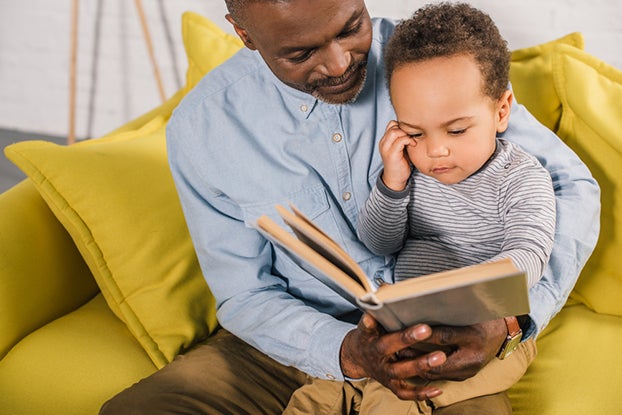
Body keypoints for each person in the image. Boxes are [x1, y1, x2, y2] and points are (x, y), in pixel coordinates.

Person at [100, 0, 600, 414]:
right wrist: (346, 352)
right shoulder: (204, 129)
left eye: (351, 28)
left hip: (449, 336)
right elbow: (245, 294)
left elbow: (568, 183)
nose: (340, 64)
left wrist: (508, 320)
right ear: (245, 34)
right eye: (301, 52)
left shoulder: (433, 61)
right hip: (299, 336)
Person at [353, 2, 556, 410]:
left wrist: (456, 293)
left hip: (486, 335)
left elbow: (529, 254)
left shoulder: (520, 177)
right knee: (320, 397)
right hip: (411, 328)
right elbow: (378, 242)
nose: (436, 150)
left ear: (501, 111)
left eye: (457, 129)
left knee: (397, 402)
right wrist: (393, 183)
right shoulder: (410, 167)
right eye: (415, 131)